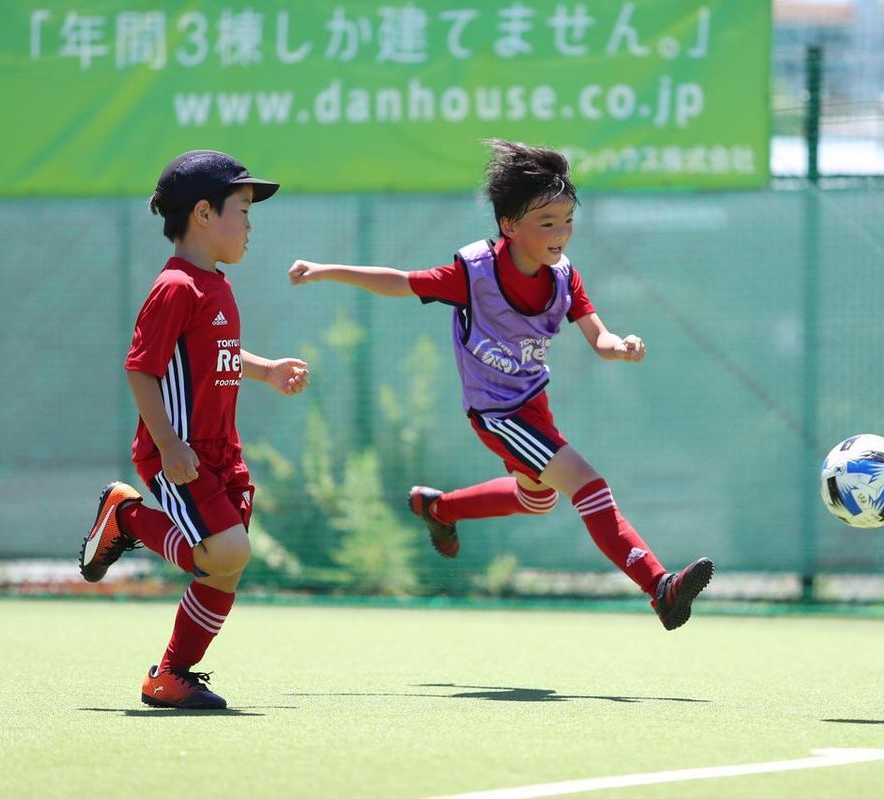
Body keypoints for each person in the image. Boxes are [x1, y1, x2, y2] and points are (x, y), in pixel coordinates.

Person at [287, 139, 712, 631]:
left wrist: (622, 346)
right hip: (496, 415)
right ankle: (659, 586)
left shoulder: (564, 278)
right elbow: (400, 281)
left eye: (568, 220)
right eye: (547, 223)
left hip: (533, 407)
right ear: (509, 226)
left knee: (537, 499)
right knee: (589, 486)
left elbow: (600, 337)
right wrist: (326, 271)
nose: (561, 233)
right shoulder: (473, 273)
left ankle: (437, 507)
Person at [78, 150, 310, 709]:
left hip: (220, 454)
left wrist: (266, 370)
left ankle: (172, 675)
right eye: (244, 209)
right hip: (180, 454)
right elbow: (140, 368)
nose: (250, 224)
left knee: (225, 568)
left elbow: (217, 354)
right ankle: (127, 514)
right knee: (227, 553)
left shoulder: (215, 285)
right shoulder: (176, 286)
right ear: (204, 214)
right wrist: (168, 444)